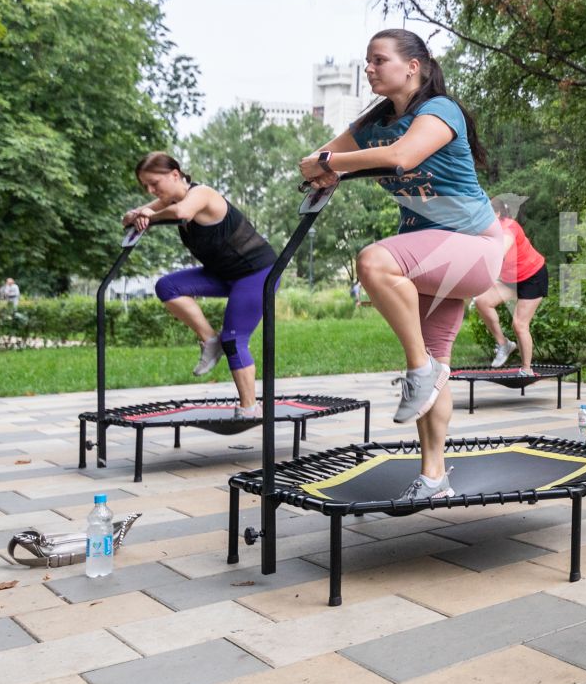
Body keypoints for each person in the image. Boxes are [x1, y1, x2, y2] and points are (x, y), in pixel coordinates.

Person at [299, 28, 504, 493]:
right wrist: (325, 166)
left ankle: (418, 370)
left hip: (475, 247)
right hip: (431, 251)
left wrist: (333, 163)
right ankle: (433, 477)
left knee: (373, 262)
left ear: (413, 66)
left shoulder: (440, 110)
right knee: (438, 366)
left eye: (378, 60)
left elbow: (401, 156)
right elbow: (313, 160)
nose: (368, 68)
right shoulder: (373, 124)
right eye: (367, 61)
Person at [124, 153, 278, 419]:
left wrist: (150, 213)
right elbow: (130, 217)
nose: (150, 190)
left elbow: (182, 212)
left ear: (175, 174)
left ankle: (250, 408)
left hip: (256, 273)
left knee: (234, 339)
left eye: (154, 183)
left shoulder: (202, 194)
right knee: (167, 286)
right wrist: (137, 214)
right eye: (145, 187)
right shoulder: (166, 201)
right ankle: (209, 340)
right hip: (222, 273)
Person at [474, 197, 548, 373]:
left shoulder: (509, 228)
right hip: (511, 279)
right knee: (482, 301)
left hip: (533, 276)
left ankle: (526, 369)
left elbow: (500, 251)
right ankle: (503, 344)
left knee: (519, 324)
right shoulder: (483, 229)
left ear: (498, 214)